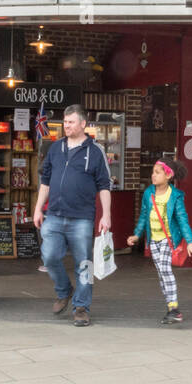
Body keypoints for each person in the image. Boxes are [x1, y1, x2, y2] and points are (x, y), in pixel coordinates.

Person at [33, 104, 112, 326]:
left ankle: (81, 308)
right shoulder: (55, 149)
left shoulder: (95, 151)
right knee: (49, 256)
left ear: (83, 124)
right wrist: (38, 208)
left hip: (82, 218)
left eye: (71, 122)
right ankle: (64, 290)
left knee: (84, 264)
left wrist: (106, 215)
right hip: (54, 215)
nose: (66, 126)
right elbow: (45, 181)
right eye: (65, 122)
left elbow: (104, 185)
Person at [127, 159, 192, 324]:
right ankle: (171, 308)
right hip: (153, 240)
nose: (153, 175)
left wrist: (190, 242)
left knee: (165, 270)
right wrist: (137, 235)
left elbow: (183, 220)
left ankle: (174, 308)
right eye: (153, 172)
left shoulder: (175, 196)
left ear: (168, 175)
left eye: (157, 172)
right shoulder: (148, 193)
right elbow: (144, 216)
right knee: (161, 273)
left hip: (169, 239)